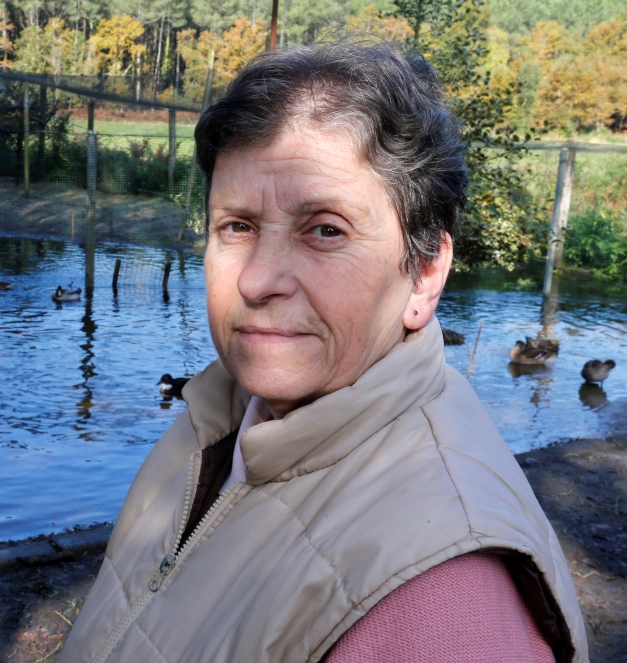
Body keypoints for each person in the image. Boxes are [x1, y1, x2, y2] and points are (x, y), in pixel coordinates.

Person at [60, 40, 587, 663]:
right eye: (237, 226)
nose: (256, 280)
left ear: (422, 274)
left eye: (325, 231)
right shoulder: (223, 416)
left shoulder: (438, 602)